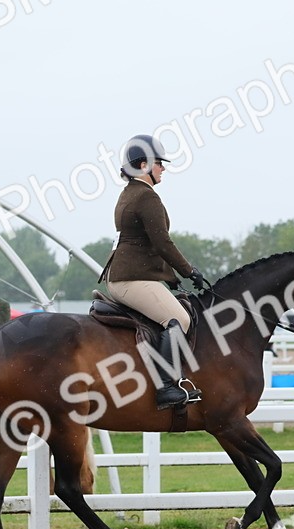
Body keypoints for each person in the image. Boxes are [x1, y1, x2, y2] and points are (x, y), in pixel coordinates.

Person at [98, 133, 204, 409]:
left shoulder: (129, 193)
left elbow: (146, 247)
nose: (163, 168)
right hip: (130, 278)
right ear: (143, 164)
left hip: (127, 274)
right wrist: (189, 271)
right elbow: (162, 243)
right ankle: (166, 388)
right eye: (159, 163)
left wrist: (169, 279)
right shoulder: (147, 198)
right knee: (179, 319)